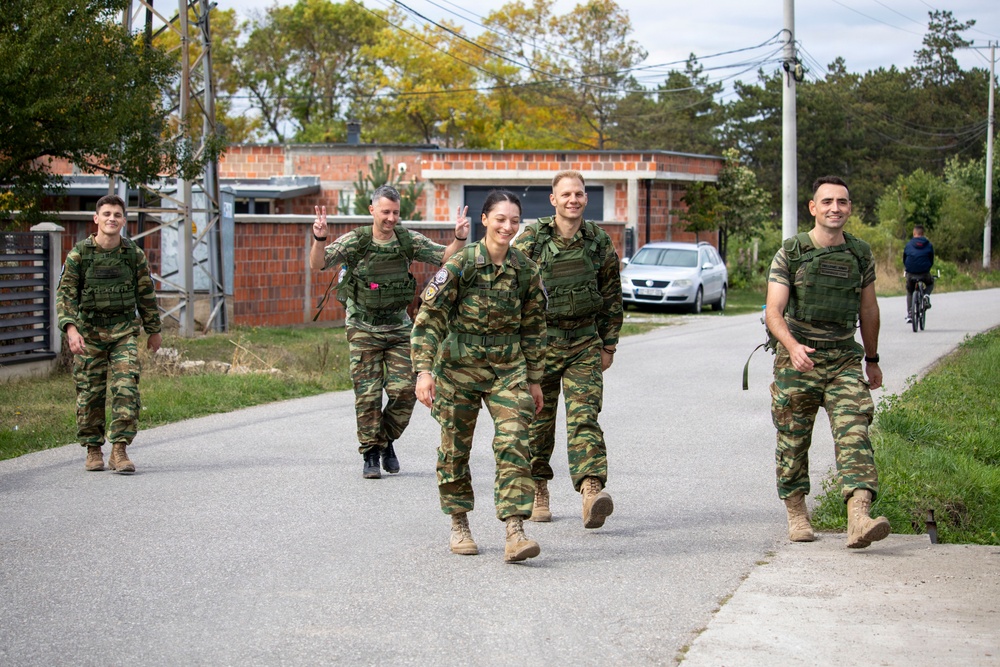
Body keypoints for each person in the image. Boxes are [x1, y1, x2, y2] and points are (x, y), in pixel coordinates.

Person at [411, 190, 547, 562]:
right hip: (459, 369)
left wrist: (535, 379)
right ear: (484, 220)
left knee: (515, 440)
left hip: (508, 369)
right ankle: (459, 522)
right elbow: (429, 319)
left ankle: (515, 530)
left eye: (514, 220)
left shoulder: (526, 270)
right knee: (455, 448)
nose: (508, 227)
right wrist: (424, 371)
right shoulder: (461, 264)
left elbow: (535, 328)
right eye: (500, 219)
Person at [309, 185, 470, 479]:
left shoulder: (407, 240)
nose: (391, 218)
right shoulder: (357, 241)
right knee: (368, 394)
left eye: (395, 212)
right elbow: (318, 263)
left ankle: (385, 439)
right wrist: (320, 238)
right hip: (362, 326)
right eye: (386, 212)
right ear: (372, 210)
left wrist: (459, 237)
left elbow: (446, 256)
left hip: (398, 326)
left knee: (406, 390)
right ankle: (371, 452)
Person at [764, 176, 891, 549]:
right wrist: (792, 346)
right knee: (793, 440)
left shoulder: (860, 253)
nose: (835, 208)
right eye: (828, 201)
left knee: (855, 432)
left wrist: (872, 359)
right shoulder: (791, 252)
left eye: (842, 202)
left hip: (843, 359)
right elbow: (773, 311)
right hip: (798, 359)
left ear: (849, 208)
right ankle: (797, 513)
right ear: (813, 208)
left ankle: (859, 517)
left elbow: (869, 309)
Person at [511, 170, 622, 528]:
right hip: (541, 345)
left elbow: (611, 295)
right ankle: (538, 487)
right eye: (566, 194)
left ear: (586, 198)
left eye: (579, 194)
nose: (573, 200)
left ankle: (591, 491)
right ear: (553, 200)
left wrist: (609, 344)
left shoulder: (598, 241)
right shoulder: (532, 239)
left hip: (584, 343)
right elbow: (511, 288)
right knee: (538, 423)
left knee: (584, 416)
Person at [56, 194, 162, 474]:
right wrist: (71, 329)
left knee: (126, 387)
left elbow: (146, 294)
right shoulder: (80, 254)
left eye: (117, 215)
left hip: (123, 332)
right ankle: (93, 449)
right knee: (90, 393)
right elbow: (65, 295)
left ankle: (119, 450)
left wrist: (153, 330)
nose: (111, 219)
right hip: (89, 333)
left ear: (123, 221)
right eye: (106, 214)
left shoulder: (133, 255)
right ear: (96, 219)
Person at [903, 224, 935, 323]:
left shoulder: (908, 245)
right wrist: (927, 268)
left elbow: (904, 259)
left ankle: (910, 313)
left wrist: (907, 269)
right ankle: (926, 295)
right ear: (923, 234)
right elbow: (931, 259)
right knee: (930, 283)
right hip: (924, 272)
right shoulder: (928, 245)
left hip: (911, 273)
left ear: (914, 233)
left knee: (910, 291)